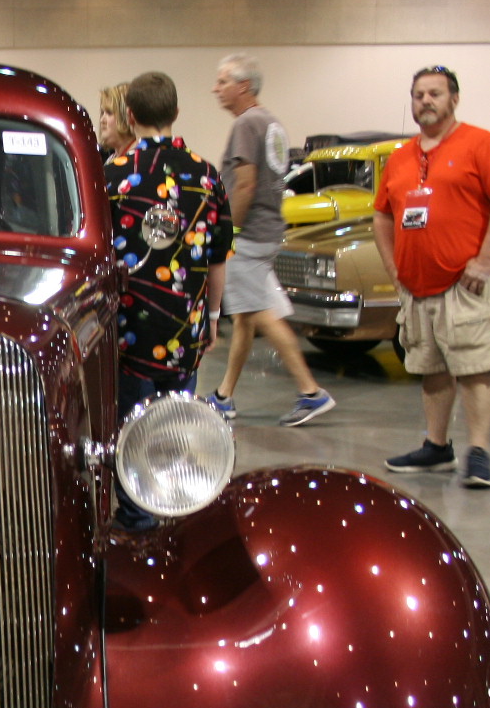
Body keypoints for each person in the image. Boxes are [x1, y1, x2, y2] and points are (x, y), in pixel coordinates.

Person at [373, 65, 490, 488]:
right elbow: (382, 215)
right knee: (431, 367)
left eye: (435, 93)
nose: (426, 101)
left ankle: (479, 452)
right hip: (417, 286)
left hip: (466, 282)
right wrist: (393, 267)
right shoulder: (401, 157)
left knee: (473, 365)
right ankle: (437, 447)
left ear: (454, 99)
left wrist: (484, 258)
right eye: (419, 94)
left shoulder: (482, 145)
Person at [106, 71, 232, 530]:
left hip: (129, 331)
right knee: (175, 422)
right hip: (185, 325)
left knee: (131, 424)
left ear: (130, 116)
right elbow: (218, 257)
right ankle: (170, 505)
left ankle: (136, 516)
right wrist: (214, 316)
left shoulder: (113, 176)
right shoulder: (206, 174)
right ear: (176, 114)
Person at [207, 54, 335, 427]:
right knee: (247, 315)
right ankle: (225, 395)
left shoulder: (247, 124)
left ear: (243, 86)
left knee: (262, 312)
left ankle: (311, 392)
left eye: (222, 82)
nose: (216, 89)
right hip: (267, 231)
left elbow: (245, 184)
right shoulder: (272, 123)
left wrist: (228, 232)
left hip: (248, 235)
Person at [97, 83, 136, 158]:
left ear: (127, 115)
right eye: (102, 113)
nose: (102, 120)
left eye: (109, 112)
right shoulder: (110, 159)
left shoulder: (138, 159)